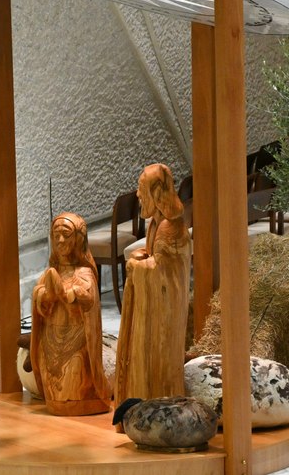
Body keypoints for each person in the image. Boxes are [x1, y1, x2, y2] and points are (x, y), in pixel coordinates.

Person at [114, 164, 191, 425]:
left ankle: (157, 416)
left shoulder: (170, 228)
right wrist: (143, 259)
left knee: (157, 365)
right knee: (144, 362)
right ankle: (140, 410)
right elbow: (157, 261)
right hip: (154, 310)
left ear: (156, 193)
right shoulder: (156, 224)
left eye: (141, 188)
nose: (137, 194)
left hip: (164, 315)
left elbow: (163, 273)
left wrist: (137, 265)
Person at [30, 213, 111, 416]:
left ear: (78, 239)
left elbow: (89, 297)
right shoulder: (52, 271)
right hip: (52, 339)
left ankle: (82, 403)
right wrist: (43, 296)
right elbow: (40, 292)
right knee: (51, 374)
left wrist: (70, 294)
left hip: (76, 341)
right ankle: (57, 403)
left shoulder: (84, 272)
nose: (60, 241)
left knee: (76, 374)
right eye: (56, 235)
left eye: (66, 235)